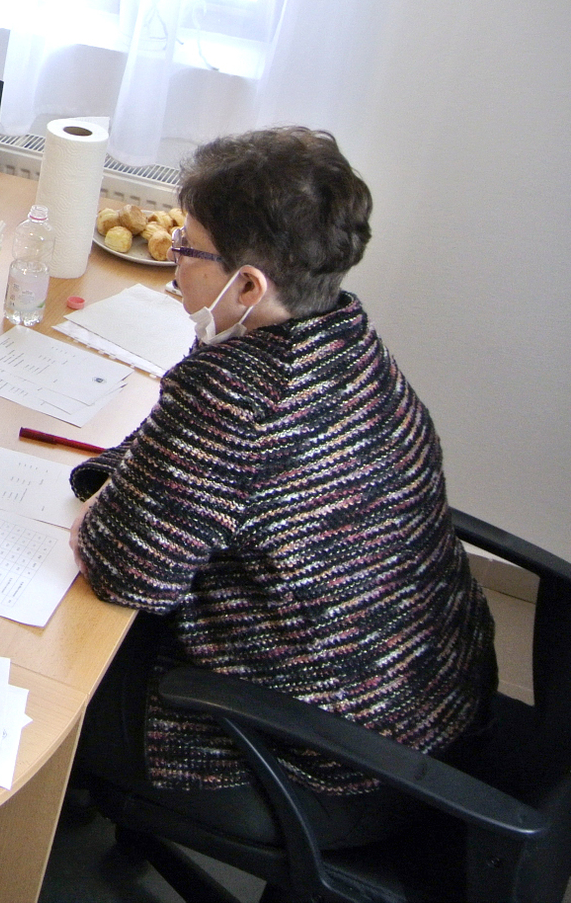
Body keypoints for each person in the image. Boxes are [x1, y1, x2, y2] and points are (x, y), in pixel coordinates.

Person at [68, 127, 496, 849]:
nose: (173, 260)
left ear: (248, 286)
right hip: (427, 709)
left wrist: (106, 509)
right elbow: (169, 459)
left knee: (50, 678)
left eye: (188, 247)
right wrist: (126, 486)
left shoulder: (239, 394)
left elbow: (122, 572)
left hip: (321, 769)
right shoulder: (344, 334)